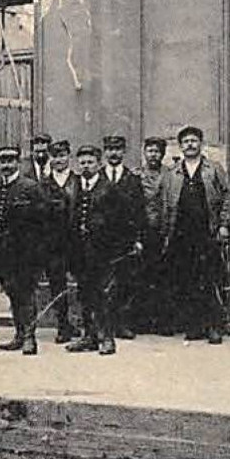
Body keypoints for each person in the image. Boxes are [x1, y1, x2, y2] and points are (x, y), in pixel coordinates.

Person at [67, 144, 144, 356]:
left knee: (104, 296)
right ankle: (89, 337)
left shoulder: (109, 189)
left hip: (104, 254)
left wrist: (120, 248)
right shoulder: (76, 187)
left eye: (90, 162)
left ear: (98, 164)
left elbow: (124, 221)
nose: (86, 166)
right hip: (81, 253)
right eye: (82, 162)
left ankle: (107, 338)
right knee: (84, 294)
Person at [162, 124, 230, 344]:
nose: (190, 145)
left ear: (200, 144)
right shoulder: (173, 173)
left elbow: (228, 198)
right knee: (187, 281)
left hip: (207, 233)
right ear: (180, 147)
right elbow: (167, 204)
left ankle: (214, 326)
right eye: (186, 142)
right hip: (181, 235)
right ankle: (195, 326)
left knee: (210, 280)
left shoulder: (213, 169)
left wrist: (224, 225)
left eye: (194, 140)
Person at [0, 144, 53, 355]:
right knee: (13, 293)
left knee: (26, 295)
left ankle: (29, 338)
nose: (6, 165)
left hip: (26, 253)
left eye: (10, 161)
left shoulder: (30, 187)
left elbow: (44, 222)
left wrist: (39, 253)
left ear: (18, 162)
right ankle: (18, 335)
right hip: (4, 253)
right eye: (3, 161)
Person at [100, 134, 146, 340]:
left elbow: (139, 212)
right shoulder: (97, 177)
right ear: (105, 152)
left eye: (118, 149)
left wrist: (137, 239)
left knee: (125, 283)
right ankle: (102, 325)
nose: (114, 153)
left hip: (124, 241)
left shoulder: (133, 179)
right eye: (110, 149)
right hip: (100, 241)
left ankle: (122, 324)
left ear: (124, 152)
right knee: (101, 283)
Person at [37, 137, 79, 343]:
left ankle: (85, 324)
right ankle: (63, 325)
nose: (59, 160)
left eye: (62, 156)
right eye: (55, 156)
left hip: (77, 242)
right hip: (53, 244)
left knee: (85, 283)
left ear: (69, 157)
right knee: (57, 284)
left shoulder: (78, 181)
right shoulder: (43, 185)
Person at [133, 136, 170, 334]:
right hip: (143, 231)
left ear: (162, 154)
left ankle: (163, 321)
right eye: (150, 151)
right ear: (144, 153)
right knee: (141, 277)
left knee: (163, 277)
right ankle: (142, 321)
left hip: (163, 230)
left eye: (157, 151)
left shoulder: (170, 174)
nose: (153, 155)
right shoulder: (136, 175)